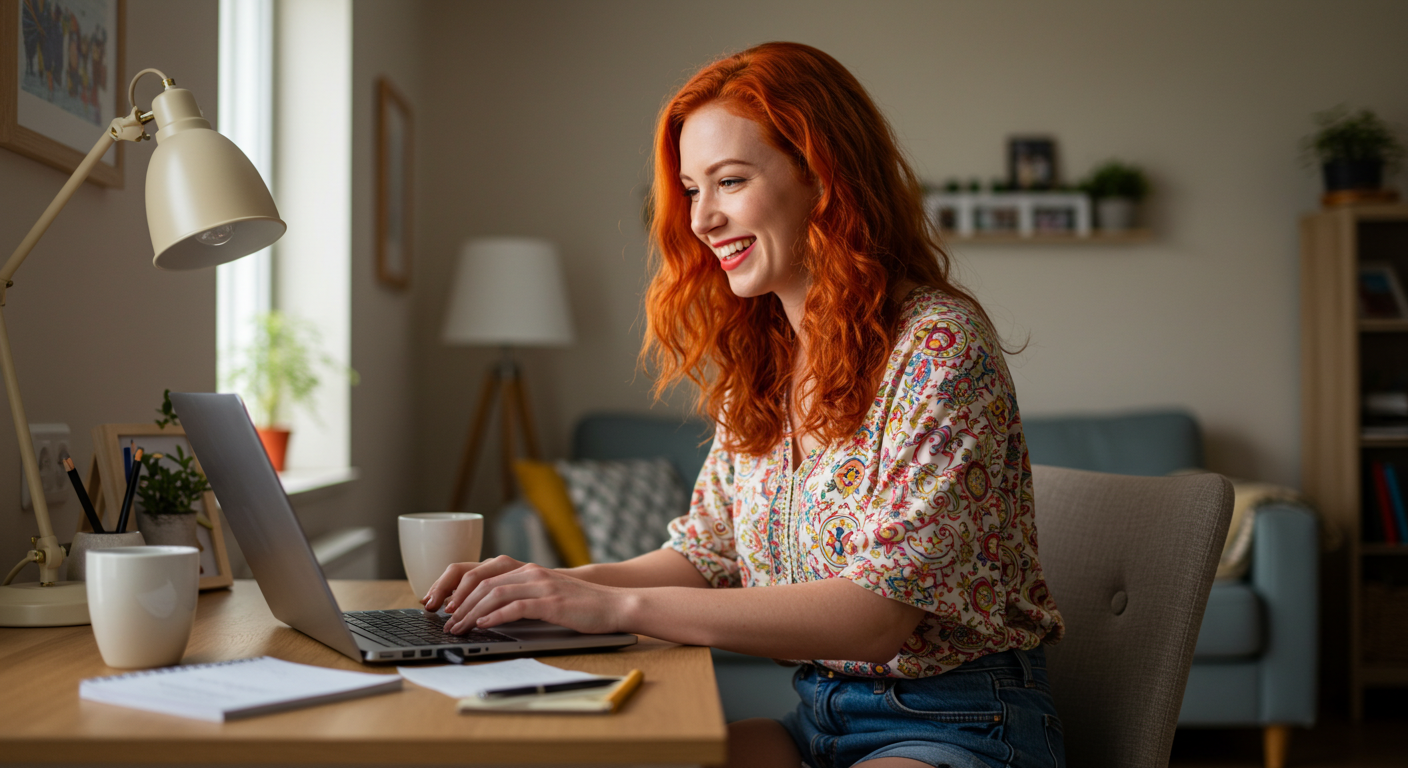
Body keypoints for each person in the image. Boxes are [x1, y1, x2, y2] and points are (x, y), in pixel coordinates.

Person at [423, 42, 1065, 768]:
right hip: (815, 720)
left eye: (729, 181)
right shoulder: (764, 363)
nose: (701, 220)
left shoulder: (939, 346)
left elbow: (874, 617)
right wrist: (542, 589)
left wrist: (614, 606)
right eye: (693, 190)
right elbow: (705, 556)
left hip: (957, 724)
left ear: (826, 177)